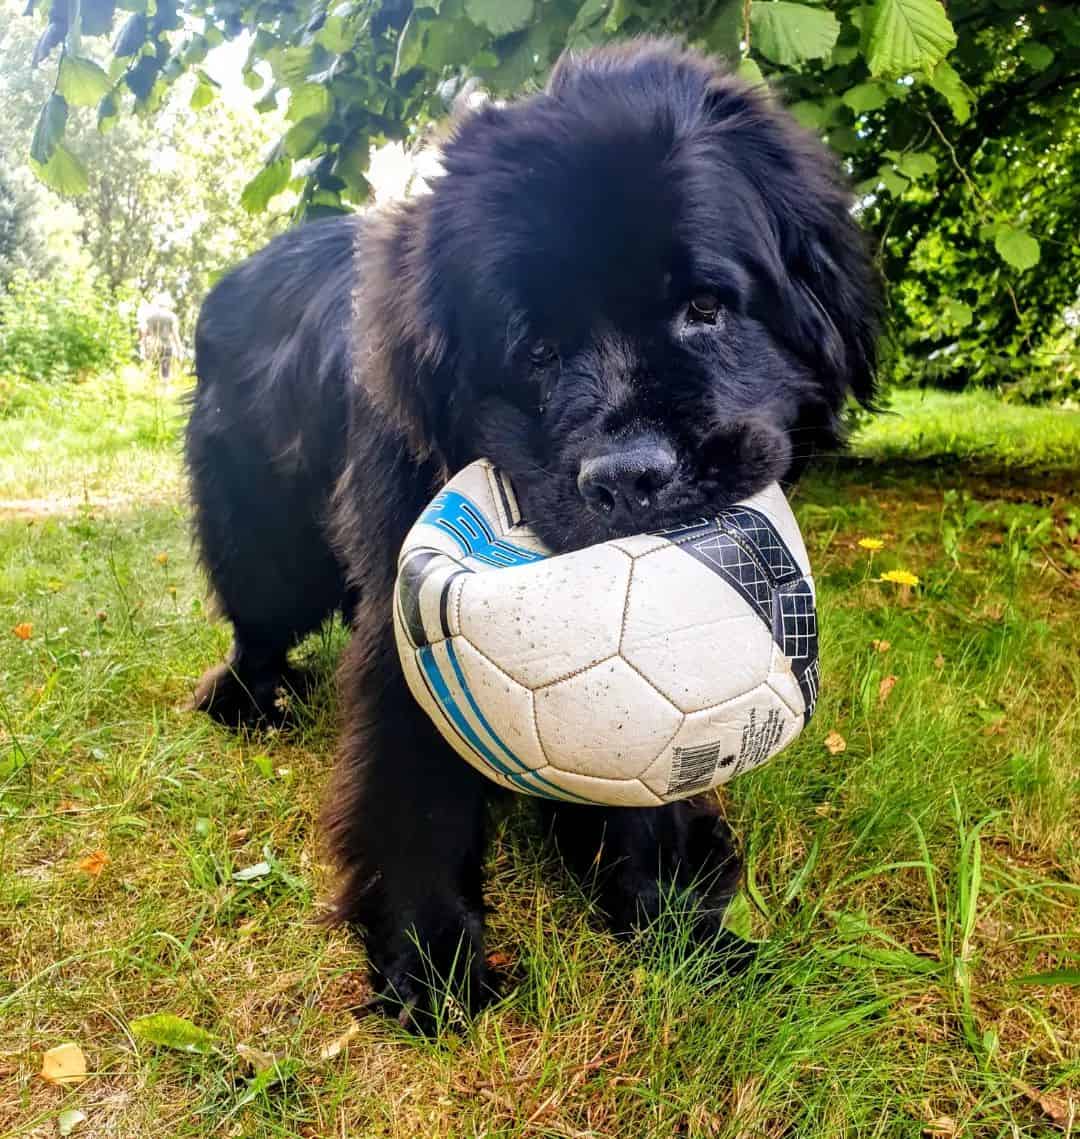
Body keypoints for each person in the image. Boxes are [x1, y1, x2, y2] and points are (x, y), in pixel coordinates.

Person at [138, 293, 184, 383]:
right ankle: (164, 389)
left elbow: (146, 333)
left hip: (153, 346)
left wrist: (143, 348)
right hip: (167, 346)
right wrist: (180, 350)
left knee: (151, 371)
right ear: (168, 305)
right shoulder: (172, 316)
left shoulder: (150, 317)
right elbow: (175, 335)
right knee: (165, 371)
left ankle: (150, 391)